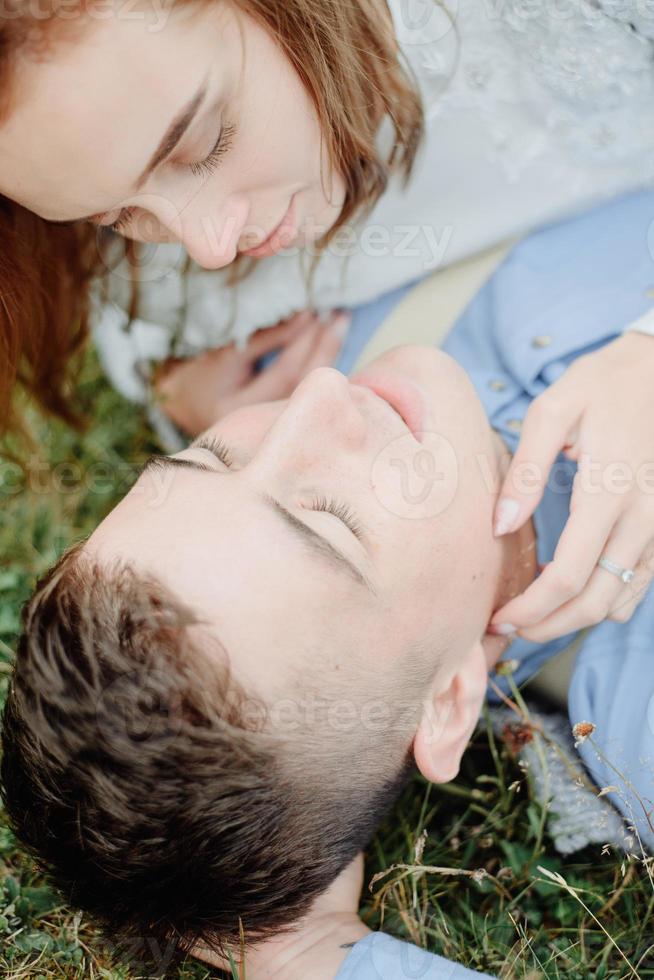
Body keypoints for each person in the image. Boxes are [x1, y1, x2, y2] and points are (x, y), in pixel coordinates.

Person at [2, 189, 654, 979]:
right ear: (447, 702)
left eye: (210, 458)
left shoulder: (294, 299)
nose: (314, 398)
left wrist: (186, 393)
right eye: (329, 518)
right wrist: (304, 953)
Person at [3, 0, 654, 639]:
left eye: (202, 144)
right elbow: (124, 318)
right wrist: (179, 393)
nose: (209, 245)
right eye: (113, 216)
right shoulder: (158, 262)